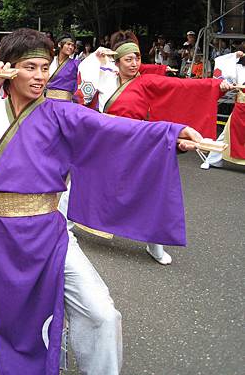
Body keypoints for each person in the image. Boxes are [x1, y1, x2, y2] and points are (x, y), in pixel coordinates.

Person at [0, 28, 201, 375]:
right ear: (9, 69)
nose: (39, 76)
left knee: (101, 312)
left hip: (48, 228)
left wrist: (169, 133)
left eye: (44, 67)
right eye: (30, 67)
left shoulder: (60, 113)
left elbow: (112, 128)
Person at [75, 29, 234, 265]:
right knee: (85, 176)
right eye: (128, 59)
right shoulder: (105, 78)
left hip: (138, 141)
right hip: (107, 140)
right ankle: (65, 222)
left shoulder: (145, 81)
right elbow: (84, 97)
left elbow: (180, 87)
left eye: (137, 58)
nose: (134, 63)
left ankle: (154, 242)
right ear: (116, 62)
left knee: (148, 189)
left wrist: (215, 86)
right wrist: (94, 60)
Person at [201, 49, 245, 169]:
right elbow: (222, 63)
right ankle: (212, 160)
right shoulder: (240, 68)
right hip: (241, 107)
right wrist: (235, 56)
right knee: (227, 134)